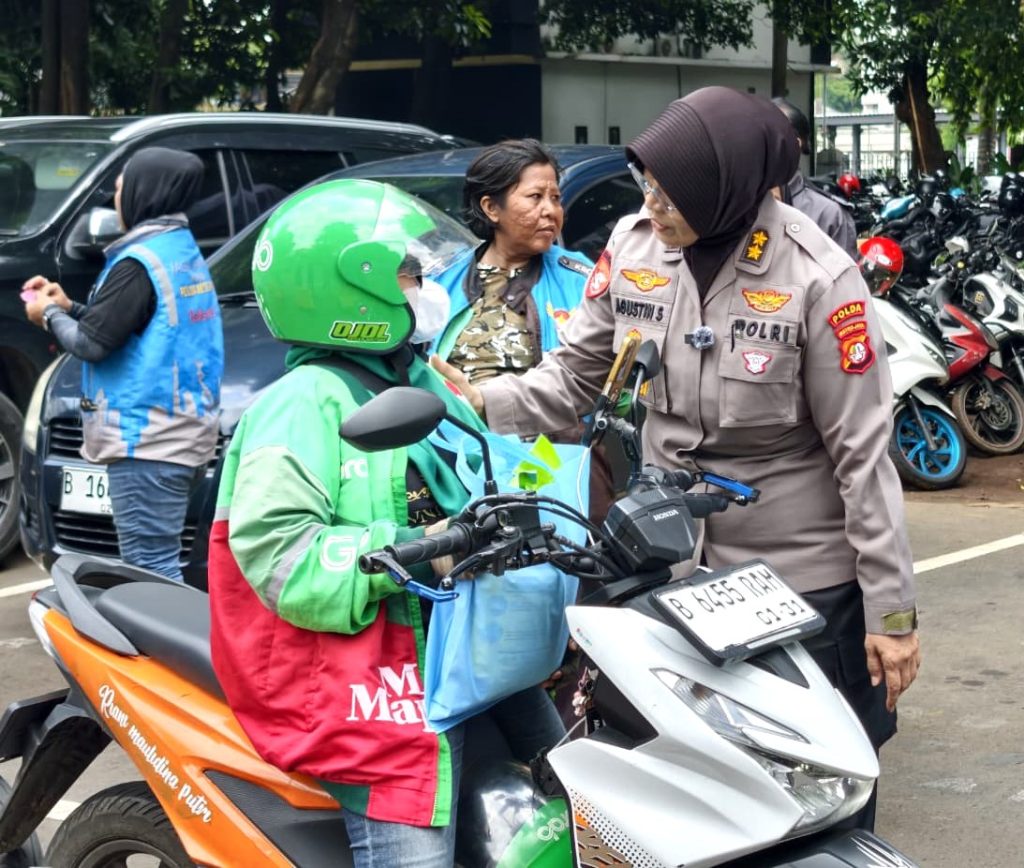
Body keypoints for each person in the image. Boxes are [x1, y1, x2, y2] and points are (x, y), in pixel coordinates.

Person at [433, 86, 921, 831]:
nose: (652, 205)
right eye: (646, 185)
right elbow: (573, 383)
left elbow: (863, 455)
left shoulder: (819, 277)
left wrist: (891, 612)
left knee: (817, 793)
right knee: (698, 793)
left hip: (799, 589)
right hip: (670, 573)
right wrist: (481, 401)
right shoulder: (634, 248)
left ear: (725, 187)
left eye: (670, 192)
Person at [207, 179, 564, 868]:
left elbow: (486, 467)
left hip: (467, 649)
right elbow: (281, 555)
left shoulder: (421, 379)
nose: (425, 285)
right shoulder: (300, 406)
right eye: (409, 274)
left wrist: (551, 490)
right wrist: (402, 550)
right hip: (371, 680)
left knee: (578, 791)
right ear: (353, 293)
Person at [22, 147, 223, 582]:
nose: (116, 201)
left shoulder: (137, 262)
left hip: (146, 442)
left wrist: (48, 314)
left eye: (119, 190)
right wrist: (71, 305)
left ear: (142, 194)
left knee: (151, 569)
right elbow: (130, 325)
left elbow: (94, 343)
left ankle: (169, 649)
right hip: (181, 434)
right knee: (159, 560)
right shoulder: (178, 252)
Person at [433, 138, 615, 520]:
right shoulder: (440, 283)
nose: (551, 211)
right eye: (535, 197)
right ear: (490, 207)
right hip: (455, 458)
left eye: (556, 198)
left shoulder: (582, 278)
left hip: (552, 456)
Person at [772, 97, 858, 259]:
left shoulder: (829, 214)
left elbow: (845, 282)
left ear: (794, 144)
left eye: (767, 134)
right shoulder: (738, 205)